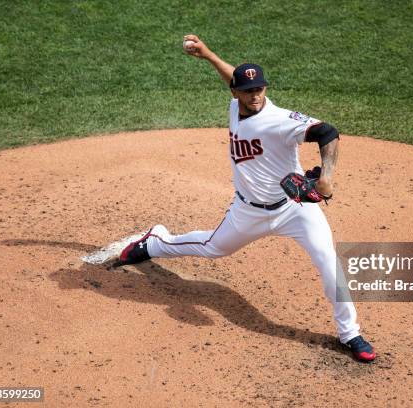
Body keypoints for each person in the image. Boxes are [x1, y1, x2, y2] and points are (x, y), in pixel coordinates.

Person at [115, 34, 376, 362]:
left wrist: (326, 178)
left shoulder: (280, 121)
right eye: (248, 90)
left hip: (293, 210)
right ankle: (154, 241)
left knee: (329, 262)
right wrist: (208, 54)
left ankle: (350, 333)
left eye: (260, 89)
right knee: (212, 247)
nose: (256, 95)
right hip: (247, 211)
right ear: (236, 93)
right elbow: (232, 76)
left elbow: (328, 132)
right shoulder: (235, 107)